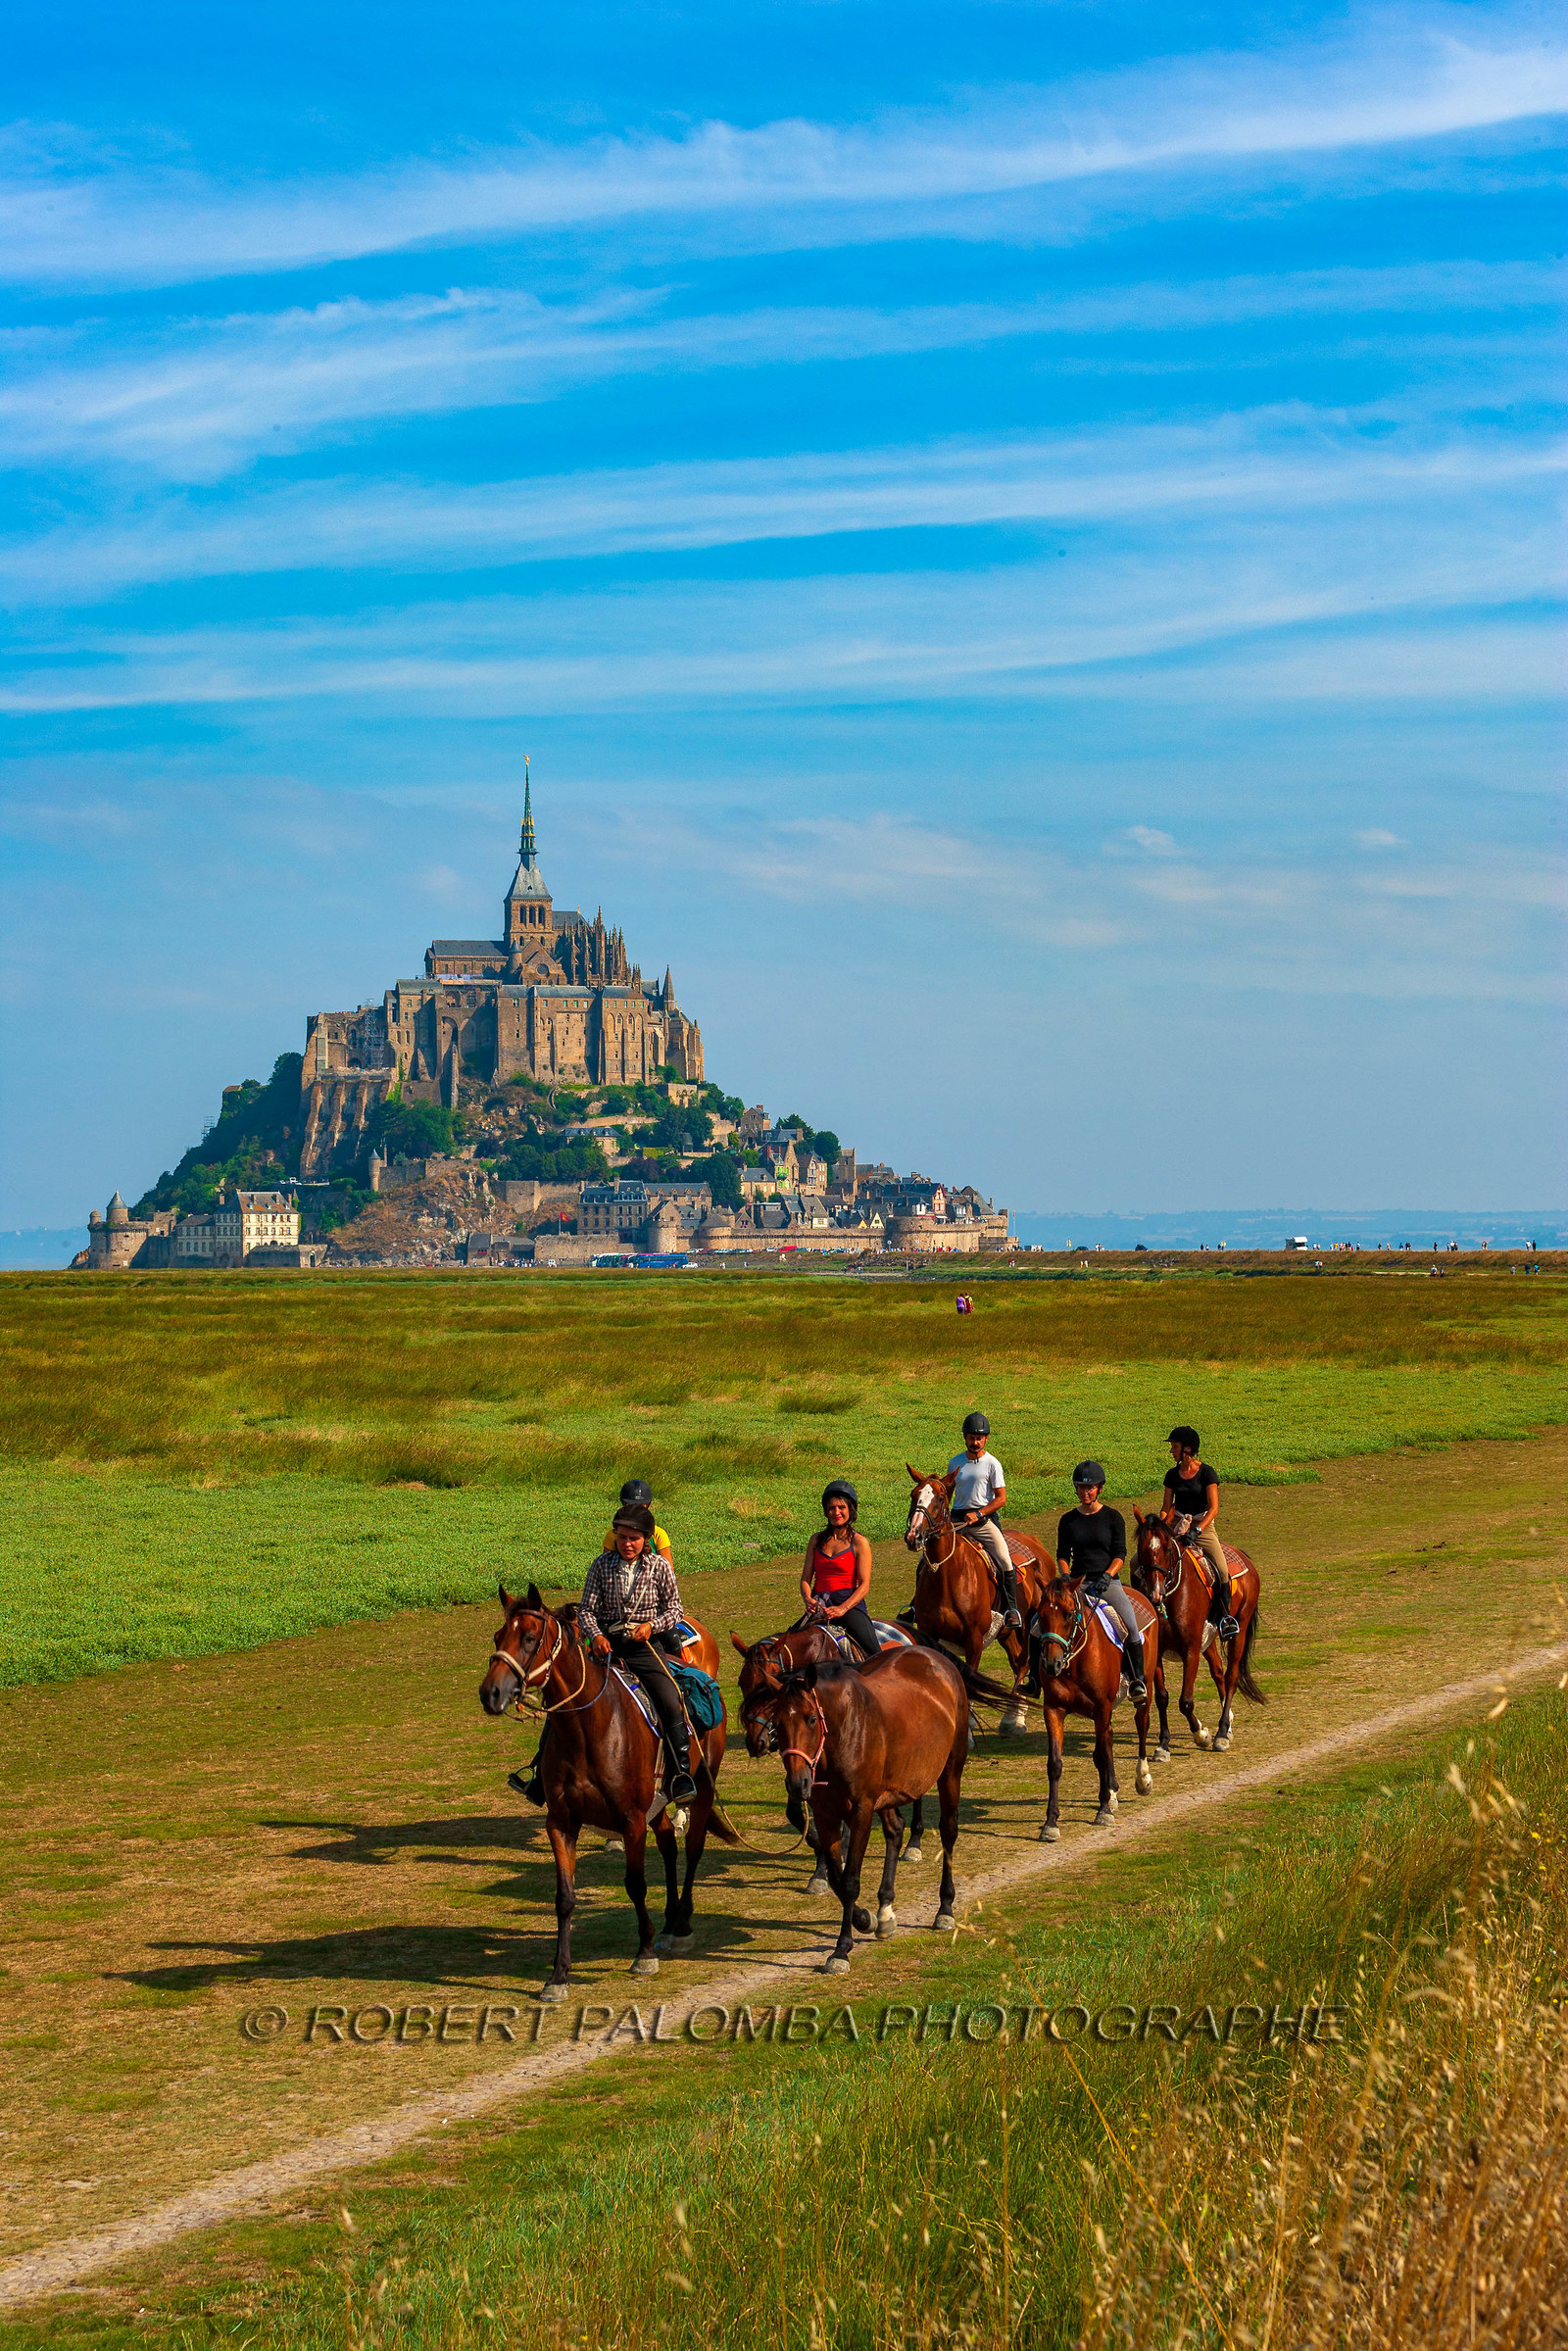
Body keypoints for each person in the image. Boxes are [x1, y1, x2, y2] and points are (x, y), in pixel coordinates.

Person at [510, 1502, 696, 1808]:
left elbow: (675, 1609)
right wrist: (595, 1636)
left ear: (646, 1539)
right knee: (564, 1698)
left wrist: (651, 1626)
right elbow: (587, 1610)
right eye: (622, 1537)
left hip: (644, 1647)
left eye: (634, 1538)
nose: (627, 1543)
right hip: (605, 1645)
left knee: (670, 1698)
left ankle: (680, 1776)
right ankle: (539, 1774)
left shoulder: (660, 1567)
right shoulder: (600, 1565)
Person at [1055, 1461, 1147, 1701]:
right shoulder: (1068, 1520)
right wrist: (1066, 1577)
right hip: (1078, 1583)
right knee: (1038, 1622)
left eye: (1090, 1487)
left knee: (1130, 1624)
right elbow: (1063, 1554)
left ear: (1100, 1489)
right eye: (1081, 1487)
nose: (1085, 1491)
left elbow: (1120, 1554)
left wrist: (1108, 1576)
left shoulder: (1113, 1518)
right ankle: (1034, 1677)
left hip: (1108, 1583)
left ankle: (1137, 1679)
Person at [1160, 1427, 1238, 1639]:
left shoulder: (1207, 1473)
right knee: (1140, 1562)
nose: (1171, 1452)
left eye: (1174, 1447)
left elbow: (1213, 1508)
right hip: (1177, 1522)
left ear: (1187, 1449)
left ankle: (1225, 1618)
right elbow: (1167, 1507)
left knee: (1222, 1570)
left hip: (1202, 1525)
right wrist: (1161, 1525)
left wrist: (1197, 1530)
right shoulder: (1171, 1475)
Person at [950, 1411, 1020, 1628]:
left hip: (982, 1520)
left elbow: (1001, 1499)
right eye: (971, 1438)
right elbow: (948, 1493)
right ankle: (915, 1607)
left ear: (986, 1438)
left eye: (979, 1438)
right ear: (965, 1437)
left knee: (1005, 1559)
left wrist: (979, 1514)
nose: (975, 1442)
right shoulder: (955, 1463)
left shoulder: (992, 1464)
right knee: (928, 1559)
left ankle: (1011, 1609)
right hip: (957, 1519)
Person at [800, 1479, 880, 1657]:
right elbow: (805, 1579)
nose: (836, 1512)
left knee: (874, 1653)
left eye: (841, 1507)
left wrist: (842, 1609)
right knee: (790, 1645)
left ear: (850, 1509)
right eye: (832, 1508)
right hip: (820, 1603)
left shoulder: (859, 1542)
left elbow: (864, 1585)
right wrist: (808, 1600)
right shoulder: (815, 1540)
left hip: (850, 1604)